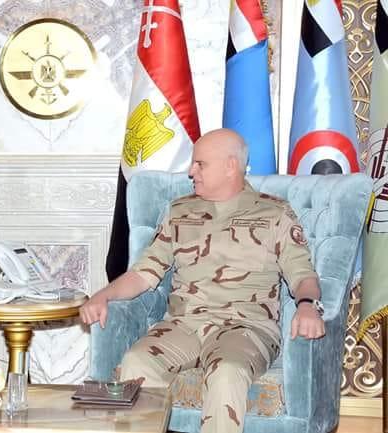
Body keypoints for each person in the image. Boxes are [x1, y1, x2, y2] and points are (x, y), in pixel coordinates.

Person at [80, 128, 325, 433]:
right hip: (184, 324)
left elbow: (303, 276)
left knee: (226, 372)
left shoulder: (274, 213)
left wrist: (307, 305)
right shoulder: (180, 211)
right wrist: (103, 295)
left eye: (200, 164)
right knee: (136, 362)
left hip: (246, 327)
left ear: (230, 166)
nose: (190, 171)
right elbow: (143, 274)